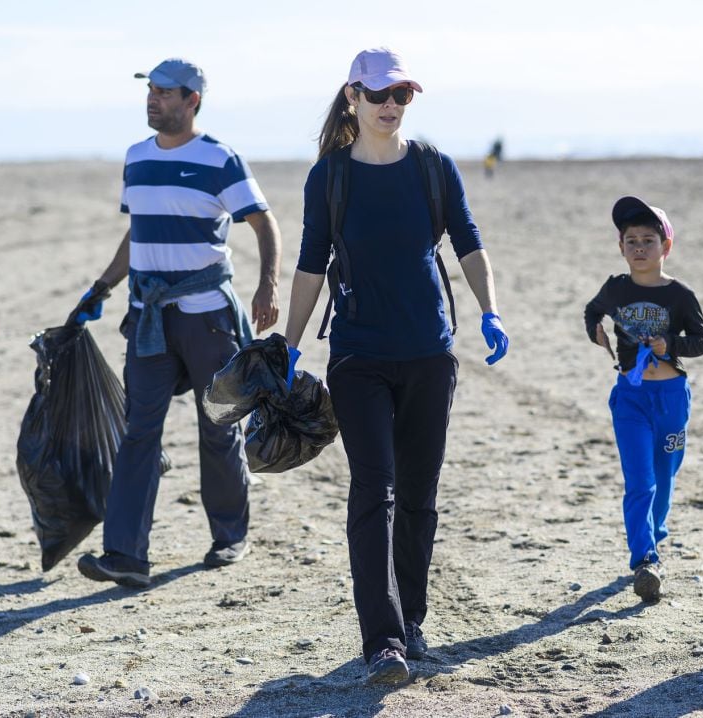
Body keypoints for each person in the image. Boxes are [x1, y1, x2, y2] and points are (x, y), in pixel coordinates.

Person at [282, 47, 508, 684]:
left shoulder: (433, 168)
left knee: (418, 495)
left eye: (401, 95)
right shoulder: (330, 177)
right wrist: (290, 345)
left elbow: (468, 241)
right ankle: (380, 640)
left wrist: (490, 310)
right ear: (352, 95)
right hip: (358, 356)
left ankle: (411, 618)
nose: (390, 106)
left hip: (430, 354)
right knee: (372, 489)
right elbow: (308, 264)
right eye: (379, 94)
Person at [70, 58, 281, 588]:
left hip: (207, 315)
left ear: (193, 101)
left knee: (218, 424)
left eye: (165, 92)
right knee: (138, 431)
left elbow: (263, 222)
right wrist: (101, 288)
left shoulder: (219, 159)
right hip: (147, 318)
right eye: (150, 90)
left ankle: (229, 535)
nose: (153, 99)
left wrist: (267, 285)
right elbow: (138, 234)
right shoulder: (136, 158)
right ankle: (125, 556)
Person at [583, 196, 703, 603]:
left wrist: (669, 342)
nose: (639, 248)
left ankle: (655, 535)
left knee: (665, 477)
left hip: (672, 398)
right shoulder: (615, 287)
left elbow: (702, 342)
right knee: (640, 480)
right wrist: (596, 332)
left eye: (648, 240)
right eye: (631, 240)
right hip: (631, 397)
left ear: (665, 246)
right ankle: (645, 559)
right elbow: (592, 310)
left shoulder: (681, 295)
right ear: (621, 248)